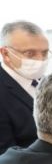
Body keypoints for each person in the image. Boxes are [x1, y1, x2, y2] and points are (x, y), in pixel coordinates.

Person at [0, 21, 49, 155]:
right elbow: (5, 156)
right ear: (5, 54)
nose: (40, 60)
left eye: (44, 53)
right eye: (30, 53)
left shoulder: (48, 81)